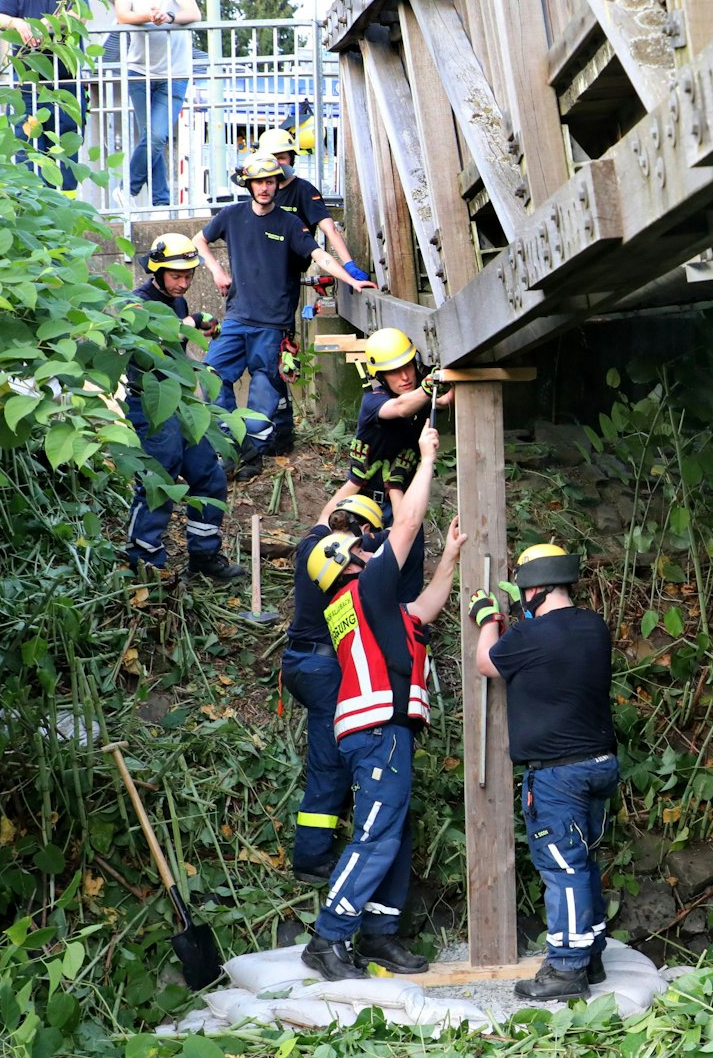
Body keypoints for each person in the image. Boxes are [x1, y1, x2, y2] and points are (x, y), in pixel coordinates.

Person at [303, 424, 465, 981]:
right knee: (376, 837)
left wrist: (450, 557)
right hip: (377, 733)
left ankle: (378, 934)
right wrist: (426, 457)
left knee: (393, 834)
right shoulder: (365, 589)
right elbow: (408, 524)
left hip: (377, 732)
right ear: (347, 562)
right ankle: (328, 938)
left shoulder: (365, 603)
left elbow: (423, 609)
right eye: (362, 548)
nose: (372, 547)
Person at [471, 545, 618, 1000]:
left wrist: (488, 620)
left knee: (562, 865)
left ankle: (567, 968)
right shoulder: (594, 626)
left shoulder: (528, 635)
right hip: (599, 765)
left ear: (535, 588)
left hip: (559, 774)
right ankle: (591, 955)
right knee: (584, 859)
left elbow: (487, 662)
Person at [194, 153, 373, 474]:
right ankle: (232, 448)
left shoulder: (290, 223)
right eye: (258, 182)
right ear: (248, 185)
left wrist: (351, 278)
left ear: (278, 184)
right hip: (236, 319)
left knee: (264, 392)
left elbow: (319, 255)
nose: (265, 188)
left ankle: (253, 456)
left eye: (270, 181)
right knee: (211, 375)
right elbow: (199, 240)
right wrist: (217, 271)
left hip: (273, 326)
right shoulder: (231, 215)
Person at [121, 233, 244, 582]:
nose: (184, 283)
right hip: (150, 404)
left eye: (189, 276)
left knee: (209, 476)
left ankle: (204, 557)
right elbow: (158, 337)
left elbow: (180, 347)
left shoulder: (177, 303)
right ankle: (144, 568)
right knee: (159, 481)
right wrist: (192, 323)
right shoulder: (136, 303)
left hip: (182, 402)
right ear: (157, 272)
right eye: (176, 276)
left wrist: (201, 374)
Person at [282, 486, 388, 885]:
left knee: (329, 756)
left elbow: (326, 514)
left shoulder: (316, 546)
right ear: (361, 529)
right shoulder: (347, 566)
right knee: (328, 764)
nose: (368, 544)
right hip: (324, 669)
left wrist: (356, 479)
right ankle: (311, 859)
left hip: (298, 661)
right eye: (368, 535)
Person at [109, 0, 198, 207]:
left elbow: (193, 13)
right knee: (152, 139)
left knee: (157, 136)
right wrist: (149, 16)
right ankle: (161, 203)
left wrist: (168, 17)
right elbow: (122, 15)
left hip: (175, 73)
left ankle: (127, 189)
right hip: (139, 72)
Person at [0, 0, 81, 191]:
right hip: (27, 90)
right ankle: (31, 205)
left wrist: (44, 25)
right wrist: (17, 23)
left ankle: (65, 205)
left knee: (64, 154)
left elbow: (77, 17)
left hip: (65, 88)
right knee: (27, 152)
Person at [348, 328, 451, 513]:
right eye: (394, 372)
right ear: (381, 376)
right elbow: (400, 408)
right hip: (364, 506)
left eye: (408, 367)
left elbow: (443, 401)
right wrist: (429, 387)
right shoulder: (372, 401)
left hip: (405, 502)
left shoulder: (421, 401)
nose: (404, 377)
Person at [253, 127, 372, 284]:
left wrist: (349, 265)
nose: (277, 163)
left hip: (287, 272)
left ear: (291, 159)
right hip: (258, 270)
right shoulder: (260, 192)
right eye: (271, 158)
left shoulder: (304, 191)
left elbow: (330, 229)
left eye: (281, 158)